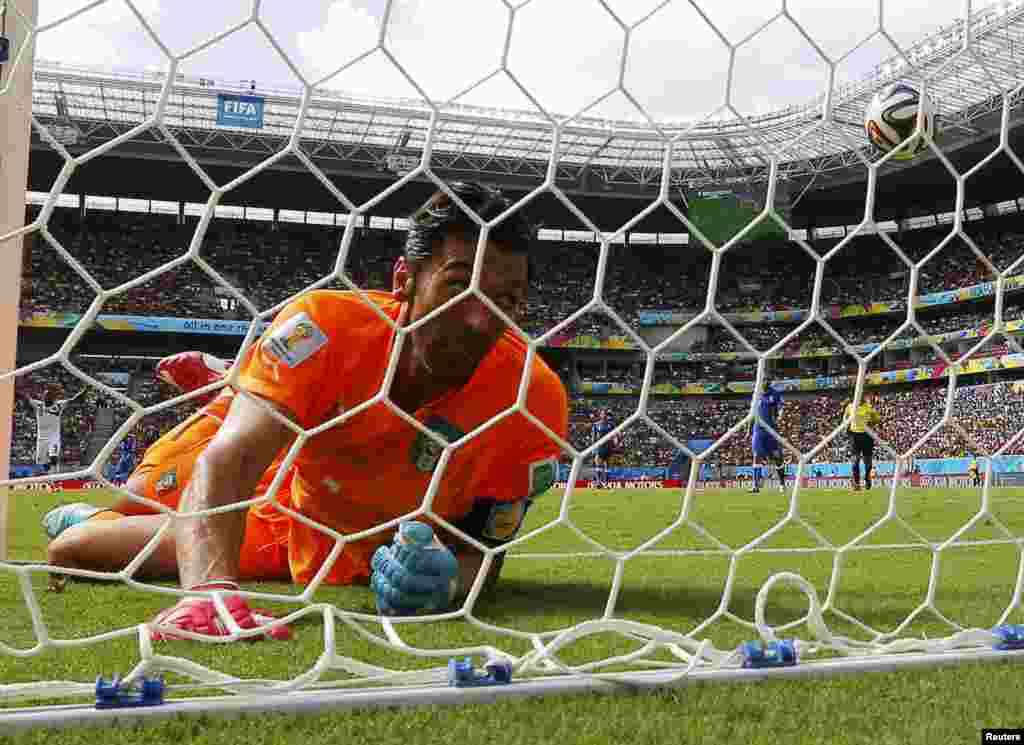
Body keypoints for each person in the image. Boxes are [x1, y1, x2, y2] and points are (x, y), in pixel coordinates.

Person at [53, 182, 568, 638]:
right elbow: (230, 461)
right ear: (404, 279)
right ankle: (225, 389)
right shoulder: (321, 327)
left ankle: (235, 380)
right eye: (460, 286)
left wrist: (448, 578)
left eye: (509, 299)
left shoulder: (535, 398)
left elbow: (487, 548)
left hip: (367, 547)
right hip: (287, 505)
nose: (482, 319)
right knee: (81, 544)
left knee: (95, 545)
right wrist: (209, 592)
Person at [23, 383, 86, 473]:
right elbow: (27, 398)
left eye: (47, 395)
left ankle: (54, 474)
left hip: (54, 437)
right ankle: (50, 472)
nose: (44, 397)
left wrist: (84, 391)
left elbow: (74, 400)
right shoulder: (38, 405)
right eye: (44, 395)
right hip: (41, 439)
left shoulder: (59, 405)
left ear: (52, 397)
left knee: (54, 457)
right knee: (42, 464)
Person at [749, 380, 785, 493]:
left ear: (768, 383)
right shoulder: (756, 395)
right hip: (758, 429)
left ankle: (782, 484)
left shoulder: (775, 394)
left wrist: (779, 416)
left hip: (770, 429)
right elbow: (752, 414)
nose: (762, 383)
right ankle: (755, 486)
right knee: (756, 455)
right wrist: (748, 430)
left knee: (777, 457)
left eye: (765, 382)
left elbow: (780, 407)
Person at [844, 392, 880, 492]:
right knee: (855, 462)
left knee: (867, 461)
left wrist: (871, 422)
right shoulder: (850, 407)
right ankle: (856, 484)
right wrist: (846, 425)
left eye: (861, 397)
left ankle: (868, 479)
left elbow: (877, 419)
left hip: (867, 435)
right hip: (854, 436)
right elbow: (845, 418)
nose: (860, 399)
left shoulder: (869, 407)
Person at [591, 409, 614, 489]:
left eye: (605, 414)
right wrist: (593, 448)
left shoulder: (611, 425)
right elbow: (593, 437)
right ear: (600, 415)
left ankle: (606, 483)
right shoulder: (596, 425)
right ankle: (598, 483)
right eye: (602, 414)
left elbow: (614, 435)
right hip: (599, 447)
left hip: (608, 447)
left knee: (607, 466)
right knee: (598, 465)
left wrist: (615, 444)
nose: (604, 415)